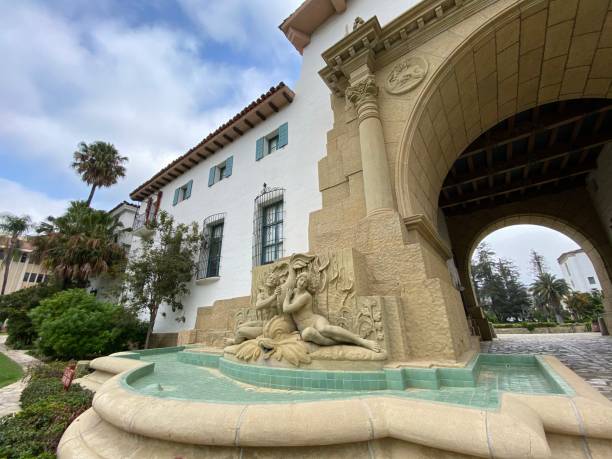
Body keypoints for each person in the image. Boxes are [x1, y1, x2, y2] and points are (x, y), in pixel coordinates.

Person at [283, 271, 381, 352]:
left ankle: (362, 342)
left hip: (315, 320)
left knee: (324, 329)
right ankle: (346, 341)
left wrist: (287, 297)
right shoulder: (294, 292)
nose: (302, 283)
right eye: (301, 280)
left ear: (307, 285)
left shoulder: (306, 296)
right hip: (305, 328)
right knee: (308, 333)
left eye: (305, 282)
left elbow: (286, 309)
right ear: (297, 279)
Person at [224, 272, 282, 345]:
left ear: (276, 283)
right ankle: (244, 338)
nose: (271, 279)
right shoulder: (262, 295)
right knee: (239, 327)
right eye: (270, 277)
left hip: (270, 326)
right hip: (262, 322)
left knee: (240, 331)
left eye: (274, 279)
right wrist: (273, 297)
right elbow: (258, 305)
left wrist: (275, 296)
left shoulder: (279, 295)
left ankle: (234, 342)